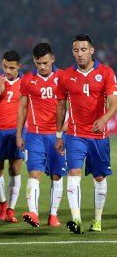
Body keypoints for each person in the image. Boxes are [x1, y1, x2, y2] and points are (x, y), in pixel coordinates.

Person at [55, 34, 117, 234]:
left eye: (83, 50)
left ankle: (97, 219)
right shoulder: (65, 76)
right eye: (76, 50)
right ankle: (76, 220)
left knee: (99, 177)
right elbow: (61, 105)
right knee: (73, 173)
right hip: (74, 134)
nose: (79, 54)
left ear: (91, 50)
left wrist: (105, 118)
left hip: (98, 135)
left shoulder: (106, 72)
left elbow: (114, 101)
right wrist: (58, 134)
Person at [16, 43, 66, 228]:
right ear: (34, 61)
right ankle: (34, 213)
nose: (42, 67)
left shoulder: (63, 77)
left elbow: (73, 103)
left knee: (56, 176)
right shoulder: (28, 80)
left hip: (57, 135)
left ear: (53, 59)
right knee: (34, 173)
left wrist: (67, 124)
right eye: (38, 63)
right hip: (35, 135)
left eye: (45, 62)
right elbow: (22, 109)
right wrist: (19, 134)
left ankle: (53, 215)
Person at [0, 50, 24, 223]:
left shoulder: (25, 82)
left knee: (15, 169)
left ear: (19, 66)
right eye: (5, 66)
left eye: (11, 67)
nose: (7, 71)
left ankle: (11, 209)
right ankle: (2, 203)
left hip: (16, 132)